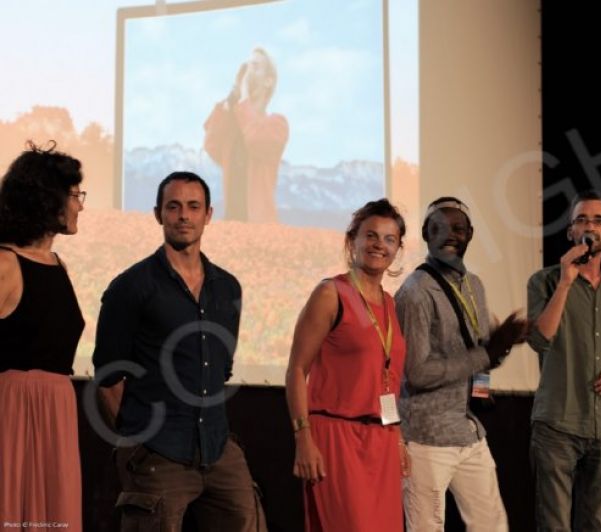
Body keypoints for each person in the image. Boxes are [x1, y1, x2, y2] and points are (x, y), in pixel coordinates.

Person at [92, 171, 266, 531]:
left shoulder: (227, 288)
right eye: (173, 207)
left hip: (217, 447)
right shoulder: (131, 287)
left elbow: (221, 369)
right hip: (157, 452)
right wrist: (135, 442)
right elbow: (108, 378)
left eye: (193, 206)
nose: (184, 215)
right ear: (158, 214)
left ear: (208, 215)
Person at [395, 196, 528, 531]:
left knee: (492, 525)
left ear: (470, 234)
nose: (449, 235)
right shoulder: (415, 292)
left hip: (468, 430)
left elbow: (480, 354)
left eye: (458, 228)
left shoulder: (474, 285)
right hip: (426, 436)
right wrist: (489, 352)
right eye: (439, 228)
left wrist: (498, 353)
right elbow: (416, 372)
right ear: (425, 234)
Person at [285, 198, 408, 532]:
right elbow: (296, 370)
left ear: (398, 249)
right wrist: (303, 437)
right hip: (337, 440)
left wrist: (397, 438)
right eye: (371, 235)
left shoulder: (390, 304)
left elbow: (387, 381)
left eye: (389, 239)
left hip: (382, 443)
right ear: (352, 240)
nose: (379, 245)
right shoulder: (331, 293)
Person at [527, 189, 601, 531]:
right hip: (557, 424)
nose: (590, 226)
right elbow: (539, 340)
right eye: (582, 220)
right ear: (571, 231)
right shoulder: (544, 281)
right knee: (554, 524)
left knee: (598, 524)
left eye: (599, 220)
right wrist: (565, 283)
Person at [0, 142, 86, 529]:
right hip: (14, 412)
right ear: (48, 199)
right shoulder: (5, 263)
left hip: (56, 411)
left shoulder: (57, 264)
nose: (80, 206)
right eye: (75, 195)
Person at [204, 47, 289, 223]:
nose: (248, 72)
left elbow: (255, 140)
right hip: (232, 225)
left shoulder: (277, 125)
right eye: (247, 66)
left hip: (261, 226)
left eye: (255, 67)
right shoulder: (235, 128)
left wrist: (244, 99)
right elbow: (211, 144)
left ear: (268, 81)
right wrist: (232, 98)